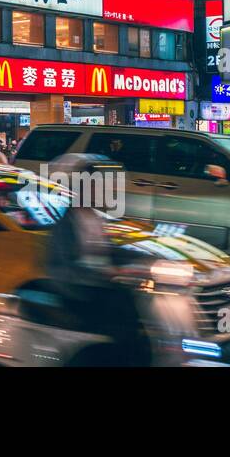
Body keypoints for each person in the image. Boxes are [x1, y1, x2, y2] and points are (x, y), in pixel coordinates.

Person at [44, 154, 147, 365]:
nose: (98, 190)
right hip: (78, 290)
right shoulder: (67, 222)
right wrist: (105, 273)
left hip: (101, 284)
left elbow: (110, 250)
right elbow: (64, 268)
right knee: (122, 315)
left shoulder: (93, 217)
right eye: (93, 186)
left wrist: (147, 259)